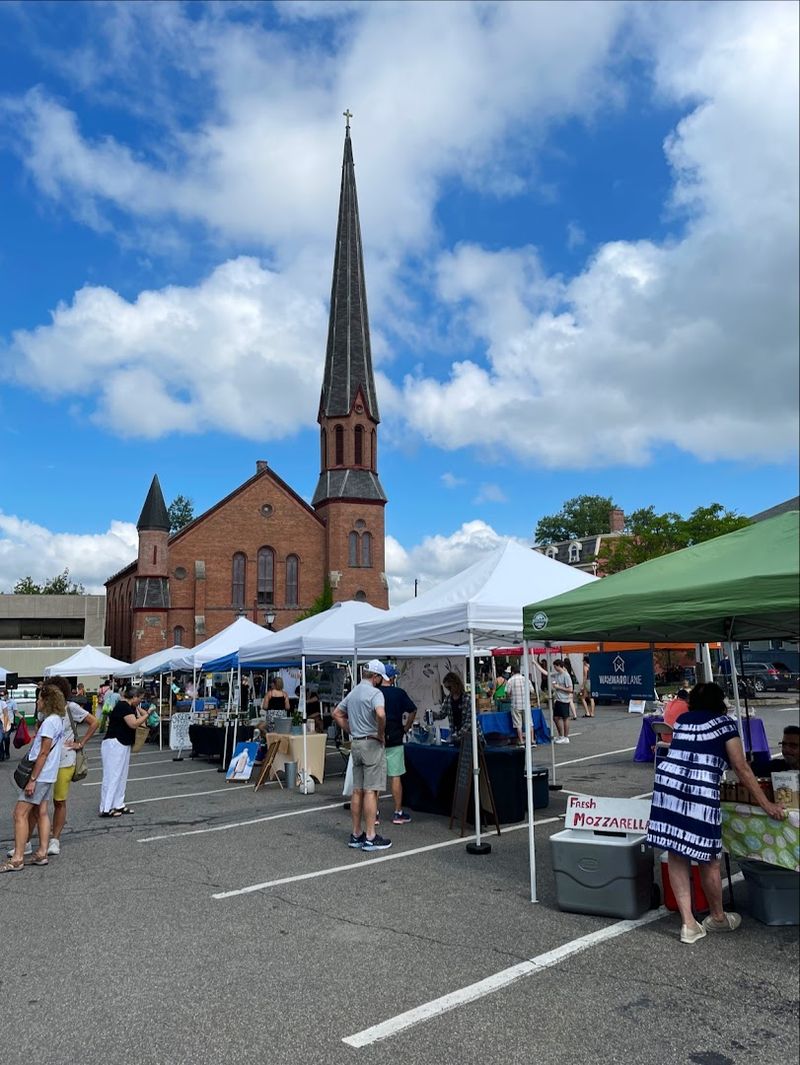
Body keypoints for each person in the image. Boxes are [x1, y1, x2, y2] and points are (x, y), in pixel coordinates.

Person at [646, 682, 786, 944]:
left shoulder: (685, 719)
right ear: (720, 702)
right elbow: (741, 767)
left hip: (668, 787)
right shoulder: (725, 724)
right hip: (698, 790)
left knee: (677, 852)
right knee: (709, 856)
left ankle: (689, 924)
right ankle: (718, 917)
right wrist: (767, 805)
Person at [0, 684, 66, 873]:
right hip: (48, 774)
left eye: (40, 699)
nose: (37, 702)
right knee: (41, 812)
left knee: (19, 813)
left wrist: (33, 779)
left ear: (47, 701)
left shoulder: (49, 723)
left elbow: (43, 753)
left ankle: (18, 858)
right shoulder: (57, 720)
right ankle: (42, 852)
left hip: (40, 774)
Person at [333, 660, 391, 851]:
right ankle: (370, 835)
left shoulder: (354, 692)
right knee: (371, 790)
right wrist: (380, 734)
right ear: (375, 677)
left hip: (356, 742)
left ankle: (356, 833)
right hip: (371, 743)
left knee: (357, 790)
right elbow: (381, 715)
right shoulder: (376, 694)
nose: (380, 681)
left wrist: (351, 729)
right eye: (380, 678)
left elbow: (337, 713)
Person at [47, 675, 99, 855]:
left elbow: (94, 722)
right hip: (46, 760)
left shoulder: (71, 708)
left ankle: (55, 839)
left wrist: (81, 743)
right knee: (37, 801)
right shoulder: (45, 709)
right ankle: (30, 839)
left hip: (65, 760)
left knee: (59, 801)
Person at [99, 686, 149, 817]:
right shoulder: (123, 706)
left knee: (121, 775)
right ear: (134, 697)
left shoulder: (130, 707)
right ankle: (106, 807)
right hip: (114, 743)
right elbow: (133, 724)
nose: (141, 701)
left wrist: (140, 709)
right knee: (112, 775)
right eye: (140, 698)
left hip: (123, 743)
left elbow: (140, 716)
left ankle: (118, 804)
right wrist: (147, 715)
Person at [380, 664, 417, 825]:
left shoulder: (375, 693)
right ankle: (397, 812)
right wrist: (406, 727)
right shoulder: (399, 693)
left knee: (376, 779)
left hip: (377, 738)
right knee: (395, 776)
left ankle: (373, 813)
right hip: (395, 736)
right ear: (391, 678)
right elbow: (413, 710)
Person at [534, 658, 573, 743]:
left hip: (564, 700)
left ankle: (566, 737)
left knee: (565, 717)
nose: (554, 668)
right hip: (558, 699)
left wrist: (559, 687)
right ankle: (561, 735)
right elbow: (546, 673)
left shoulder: (566, 675)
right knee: (556, 718)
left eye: (555, 666)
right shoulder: (557, 674)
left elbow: (570, 689)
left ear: (559, 666)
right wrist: (536, 664)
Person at [505, 664, 536, 747]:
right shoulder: (526, 679)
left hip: (515, 704)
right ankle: (532, 740)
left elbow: (507, 692)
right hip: (526, 704)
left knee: (518, 724)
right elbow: (532, 691)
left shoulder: (510, 680)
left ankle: (521, 741)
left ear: (512, 672)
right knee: (529, 723)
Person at [0, 689, 13, 760]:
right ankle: (2, 755)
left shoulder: (3, 703)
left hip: (3, 723)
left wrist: (5, 726)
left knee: (5, 738)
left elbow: (6, 715)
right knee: (1, 740)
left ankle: (6, 752)